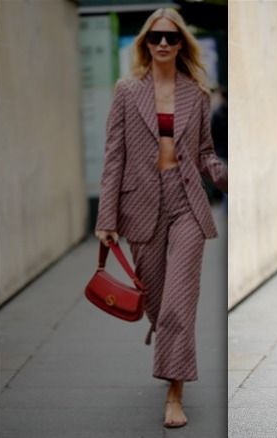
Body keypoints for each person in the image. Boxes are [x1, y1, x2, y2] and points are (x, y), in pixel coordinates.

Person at [94, 8, 227, 428]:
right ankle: (167, 343)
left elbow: (205, 154)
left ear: (181, 44)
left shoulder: (196, 93)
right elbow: (114, 156)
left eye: (171, 38)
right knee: (155, 302)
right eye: (156, 38)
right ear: (146, 44)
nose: (164, 44)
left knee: (177, 305)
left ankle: (174, 393)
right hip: (141, 205)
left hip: (187, 204)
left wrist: (231, 179)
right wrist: (106, 216)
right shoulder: (127, 91)